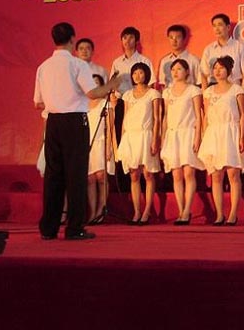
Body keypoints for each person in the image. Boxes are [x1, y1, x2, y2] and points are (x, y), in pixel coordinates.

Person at [34, 22, 120, 240]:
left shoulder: (43, 67)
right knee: (76, 175)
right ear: (72, 39)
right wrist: (113, 84)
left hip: (53, 122)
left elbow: (37, 103)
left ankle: (49, 228)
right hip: (74, 121)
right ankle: (74, 228)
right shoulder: (77, 64)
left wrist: (58, 100)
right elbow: (93, 93)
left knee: (53, 175)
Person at [198, 56, 244, 225]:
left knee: (233, 174)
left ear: (229, 70)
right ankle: (219, 214)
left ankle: (233, 214)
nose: (217, 71)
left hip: (231, 132)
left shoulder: (236, 90)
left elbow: (243, 115)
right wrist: (204, 135)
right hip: (213, 133)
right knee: (216, 176)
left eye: (221, 68)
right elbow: (205, 115)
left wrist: (242, 137)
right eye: (215, 68)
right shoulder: (208, 92)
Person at [110, 27, 155, 187]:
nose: (127, 41)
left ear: (137, 41)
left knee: (142, 142)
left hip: (142, 103)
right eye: (124, 38)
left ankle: (144, 180)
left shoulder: (144, 61)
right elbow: (112, 84)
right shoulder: (117, 62)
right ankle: (125, 181)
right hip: (123, 103)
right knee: (123, 139)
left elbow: (151, 84)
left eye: (130, 38)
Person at [116, 63, 161, 224]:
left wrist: (155, 139)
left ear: (146, 74)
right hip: (130, 136)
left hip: (146, 135)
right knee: (134, 175)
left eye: (140, 73)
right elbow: (125, 117)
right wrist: (122, 140)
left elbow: (157, 118)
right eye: (134, 73)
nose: (137, 76)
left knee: (148, 174)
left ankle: (147, 211)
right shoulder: (128, 95)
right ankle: (136, 211)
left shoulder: (153, 93)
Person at [161, 59, 204, 225]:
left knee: (188, 173)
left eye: (179, 69)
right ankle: (181, 210)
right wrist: (163, 138)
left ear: (187, 72)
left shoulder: (193, 90)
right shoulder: (167, 92)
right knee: (176, 174)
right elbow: (165, 116)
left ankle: (187, 211)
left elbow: (199, 115)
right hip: (172, 135)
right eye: (173, 69)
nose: (175, 72)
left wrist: (197, 137)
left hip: (188, 133)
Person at [200, 13, 244, 90]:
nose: (217, 29)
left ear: (228, 27)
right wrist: (205, 93)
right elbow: (204, 73)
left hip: (234, 88)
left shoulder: (240, 47)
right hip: (213, 90)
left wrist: (242, 91)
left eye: (220, 25)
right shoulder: (209, 49)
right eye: (214, 26)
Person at [86, 74, 113, 225]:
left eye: (97, 83)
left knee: (101, 177)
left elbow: (110, 127)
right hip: (87, 145)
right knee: (90, 179)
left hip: (101, 142)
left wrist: (109, 147)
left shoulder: (105, 104)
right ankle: (92, 212)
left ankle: (101, 211)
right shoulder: (82, 104)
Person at [157, 25, 201, 89]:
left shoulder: (194, 60)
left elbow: (199, 83)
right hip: (169, 94)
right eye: (171, 37)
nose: (174, 41)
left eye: (178, 37)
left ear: (184, 39)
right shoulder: (164, 61)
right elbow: (162, 84)